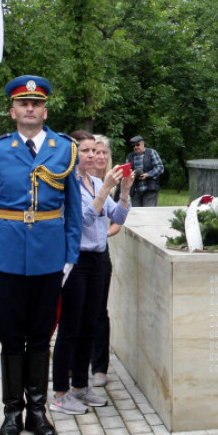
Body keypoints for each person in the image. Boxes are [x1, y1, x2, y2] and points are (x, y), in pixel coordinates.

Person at [0, 75, 82, 435]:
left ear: (44, 109)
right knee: (10, 338)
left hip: (50, 259)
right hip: (5, 259)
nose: (30, 108)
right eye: (23, 103)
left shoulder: (64, 148)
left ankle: (38, 411)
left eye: (36, 103)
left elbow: (73, 209)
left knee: (40, 337)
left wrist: (69, 256)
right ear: (13, 111)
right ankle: (11, 414)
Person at [50, 131, 133, 415]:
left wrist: (123, 191)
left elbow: (118, 217)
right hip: (76, 260)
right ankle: (60, 392)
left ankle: (80, 387)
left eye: (92, 150)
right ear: (73, 154)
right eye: (84, 151)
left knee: (89, 325)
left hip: (98, 259)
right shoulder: (66, 184)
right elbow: (82, 219)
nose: (90, 155)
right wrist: (102, 192)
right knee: (70, 327)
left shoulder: (95, 181)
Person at [89, 134, 122, 387]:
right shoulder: (78, 180)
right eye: (95, 152)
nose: (99, 157)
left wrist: (111, 229)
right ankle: (72, 363)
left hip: (100, 251)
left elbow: (117, 216)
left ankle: (99, 366)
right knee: (75, 311)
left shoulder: (110, 180)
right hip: (77, 253)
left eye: (103, 153)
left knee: (100, 310)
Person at [125, 135, 165, 207]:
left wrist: (148, 175)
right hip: (135, 190)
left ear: (143, 144)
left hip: (150, 188)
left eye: (137, 145)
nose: (135, 147)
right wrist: (132, 174)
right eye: (133, 146)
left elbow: (160, 168)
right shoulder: (129, 157)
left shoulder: (151, 152)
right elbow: (126, 173)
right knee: (136, 214)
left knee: (149, 213)